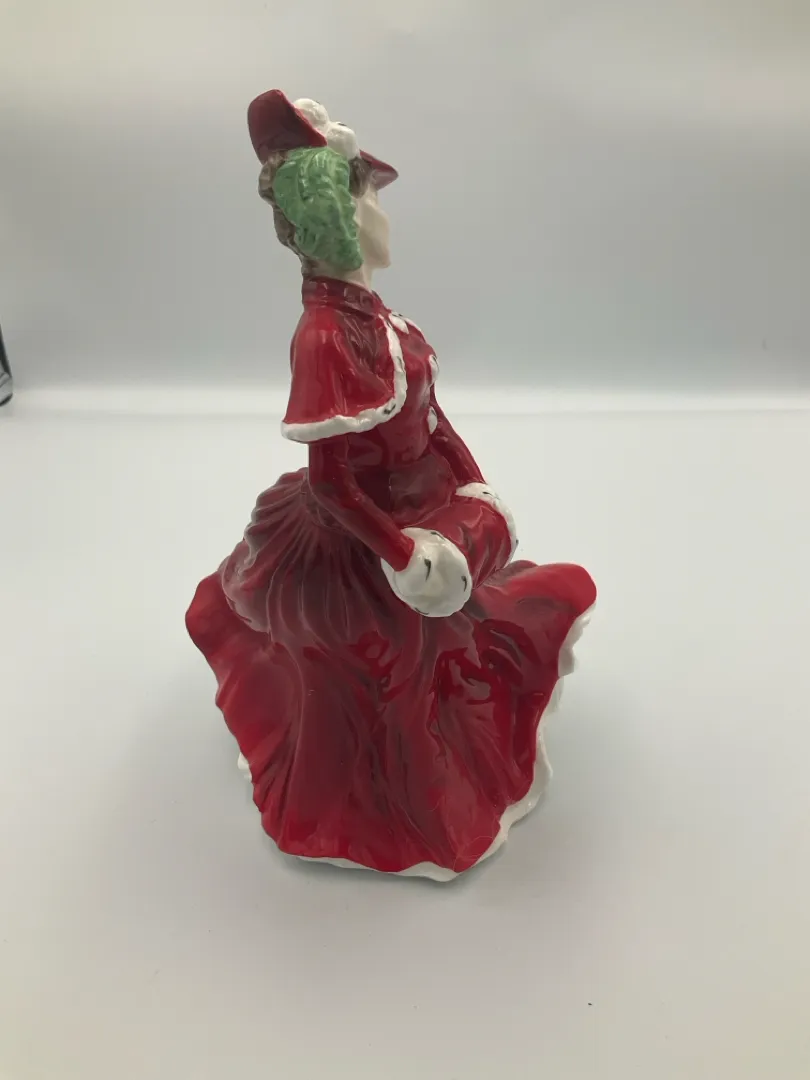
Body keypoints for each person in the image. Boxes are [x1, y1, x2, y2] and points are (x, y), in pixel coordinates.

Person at [186, 90, 596, 879]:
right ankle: (400, 810)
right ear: (339, 215)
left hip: (419, 514)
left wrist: (475, 491)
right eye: (371, 197)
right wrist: (403, 554)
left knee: (459, 631)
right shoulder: (326, 336)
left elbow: (434, 421)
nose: (385, 215)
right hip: (367, 538)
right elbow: (332, 483)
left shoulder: (380, 320)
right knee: (392, 672)